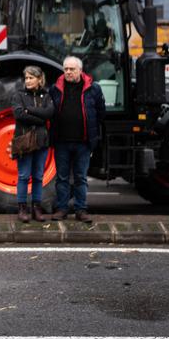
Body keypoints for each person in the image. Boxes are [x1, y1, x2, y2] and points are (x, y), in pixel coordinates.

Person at [49, 56, 105, 223]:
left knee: (80, 177)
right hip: (62, 142)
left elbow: (101, 113)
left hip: (83, 142)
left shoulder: (93, 89)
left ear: (80, 70)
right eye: (65, 69)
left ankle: (81, 210)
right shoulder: (55, 88)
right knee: (62, 178)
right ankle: (62, 209)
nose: (68, 72)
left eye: (71, 69)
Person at [11, 66, 54, 223]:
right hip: (25, 141)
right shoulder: (18, 95)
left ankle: (37, 208)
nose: (28, 81)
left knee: (38, 176)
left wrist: (30, 110)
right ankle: (22, 208)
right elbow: (19, 114)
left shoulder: (46, 96)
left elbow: (49, 113)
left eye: (31, 78)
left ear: (39, 79)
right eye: (26, 78)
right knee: (23, 176)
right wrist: (40, 118)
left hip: (42, 141)